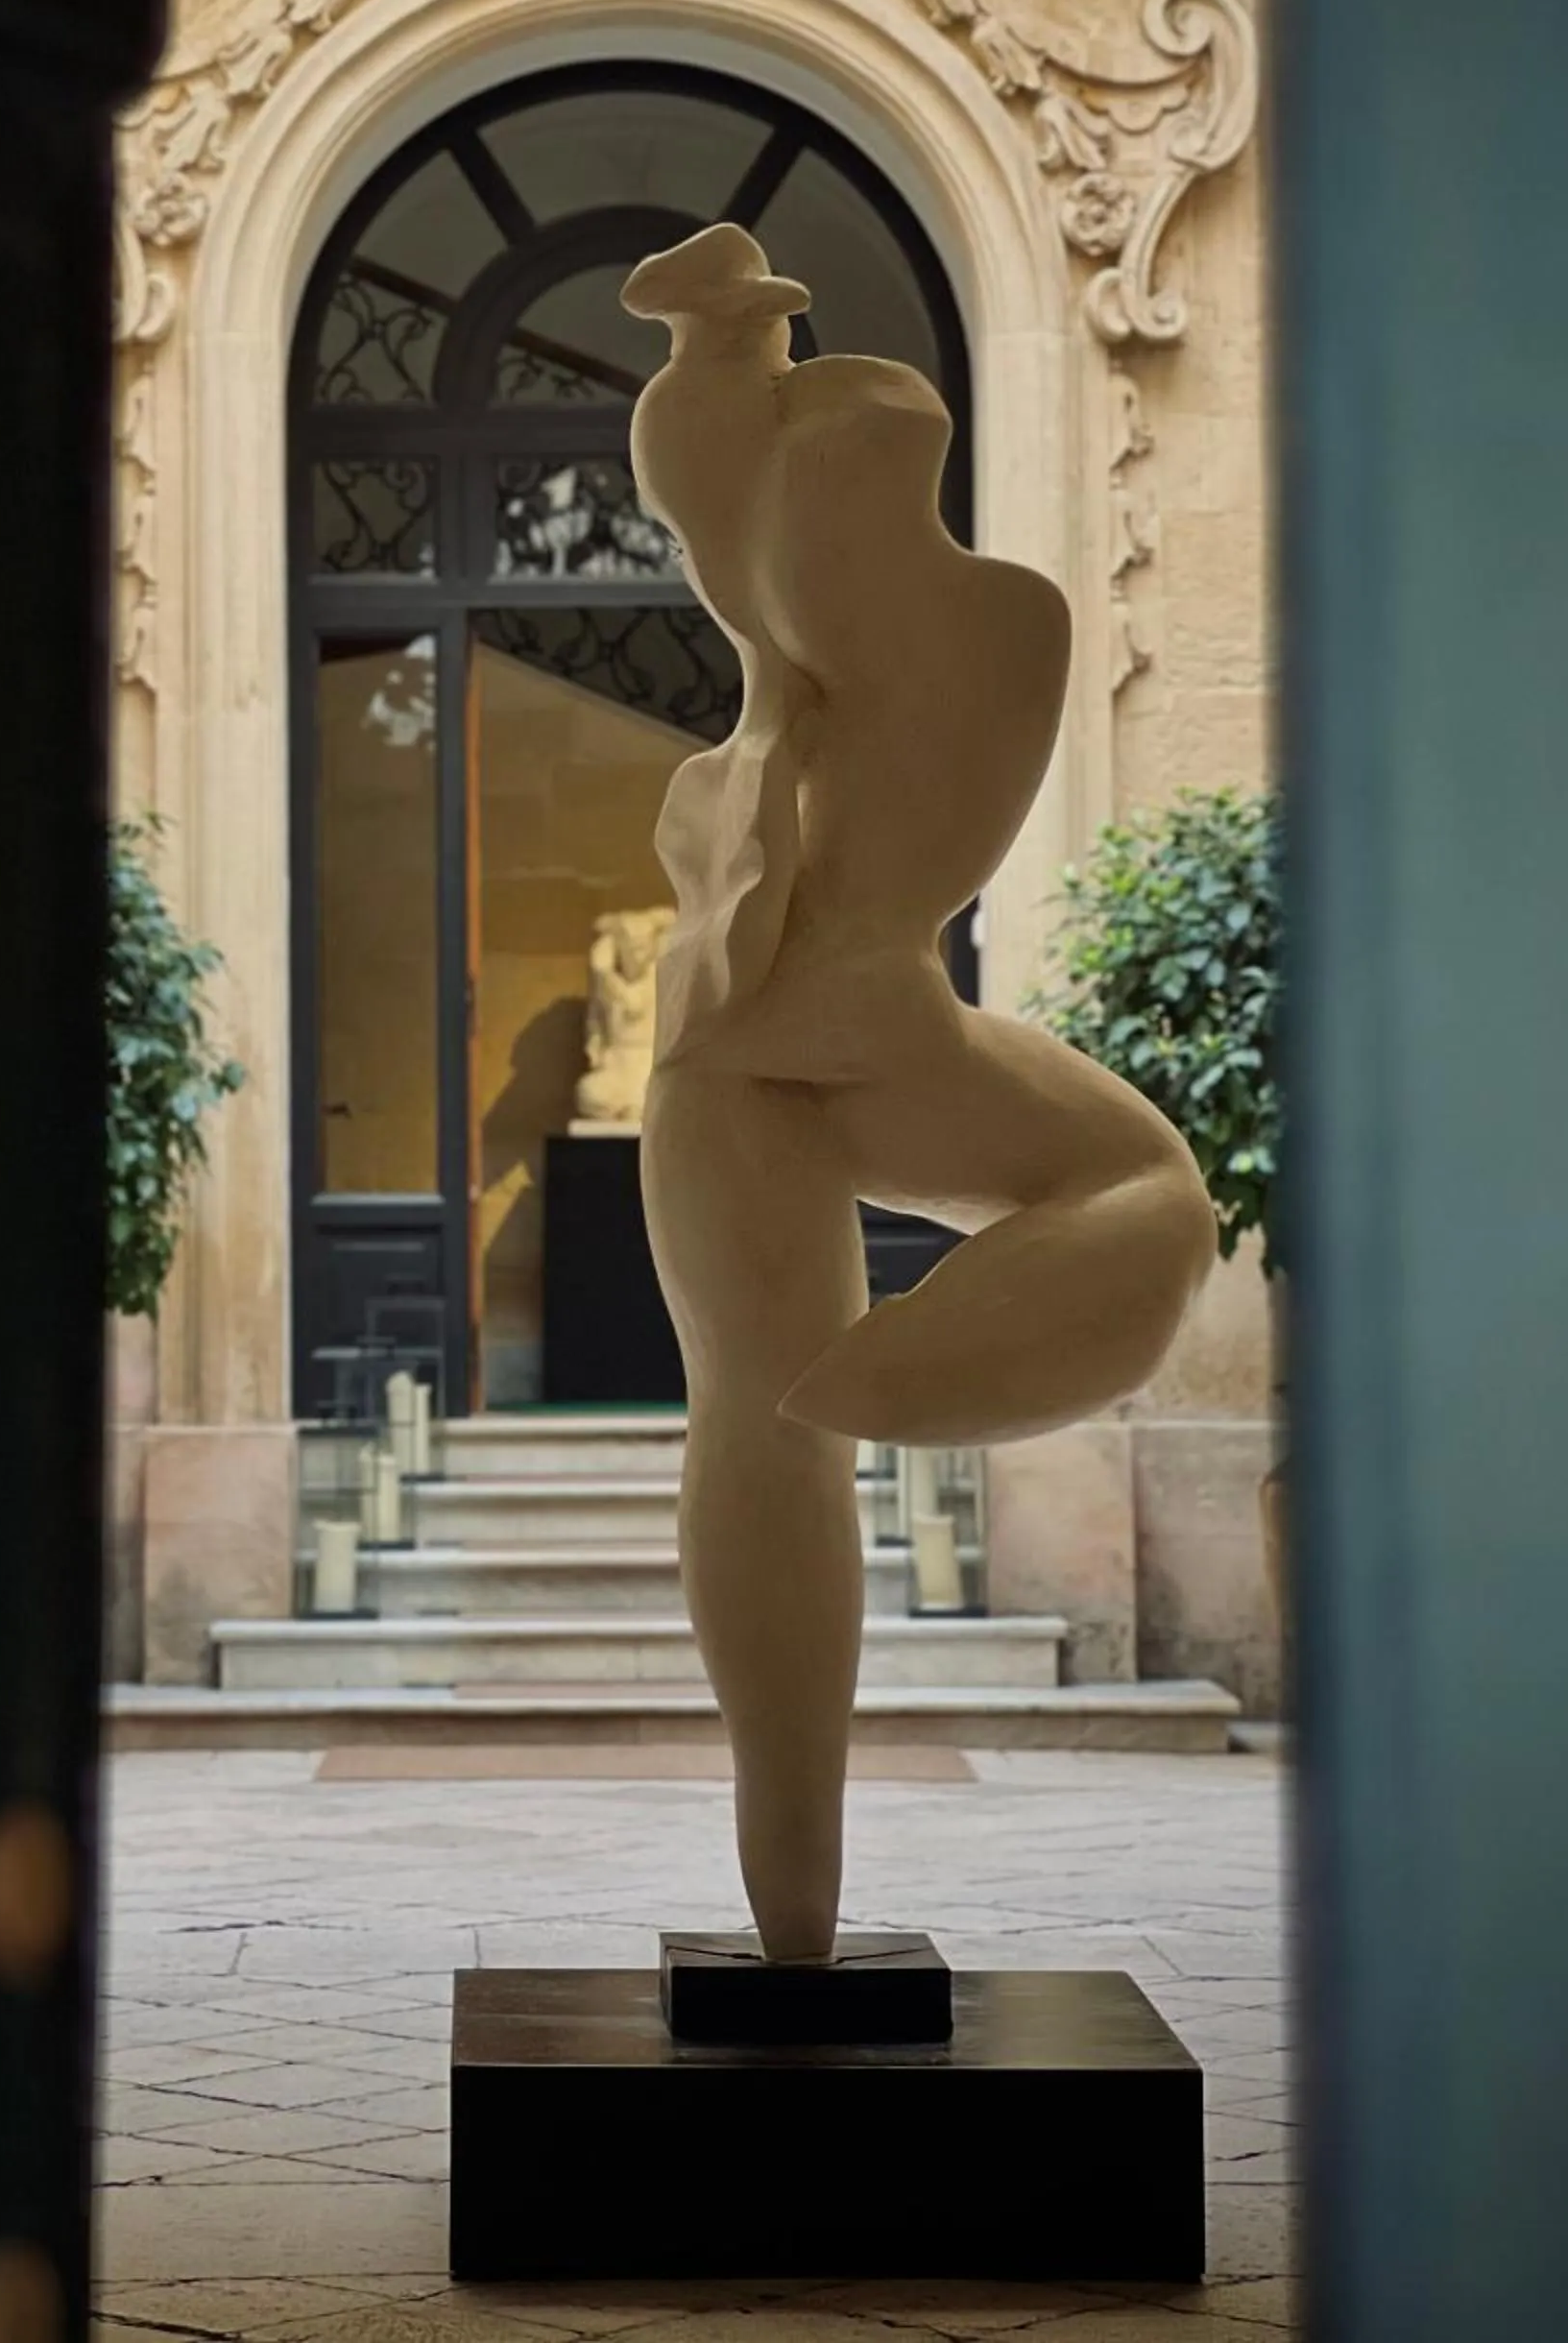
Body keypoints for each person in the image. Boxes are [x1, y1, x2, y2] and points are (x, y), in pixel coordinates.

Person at [622, 221, 1216, 1960]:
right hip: (792, 1065)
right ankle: (789, 1901)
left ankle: (795, 1899)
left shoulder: (797, 733)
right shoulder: (813, 720)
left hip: (816, 1056)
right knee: (767, 1422)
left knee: (776, 1416)